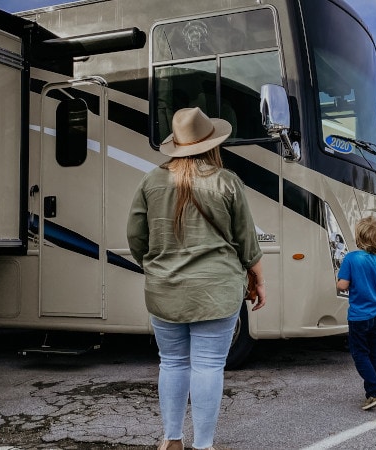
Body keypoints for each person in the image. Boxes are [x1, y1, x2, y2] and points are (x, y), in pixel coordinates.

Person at [127, 107, 266, 450]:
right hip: (217, 288)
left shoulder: (151, 181)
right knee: (208, 367)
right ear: (211, 144)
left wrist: (157, 266)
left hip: (164, 288)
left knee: (172, 363)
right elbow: (247, 241)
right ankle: (203, 445)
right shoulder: (226, 181)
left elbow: (135, 236)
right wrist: (258, 281)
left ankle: (172, 440)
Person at [336, 216, 376, 411]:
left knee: (359, 354)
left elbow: (342, 285)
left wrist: (345, 282)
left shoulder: (352, 258)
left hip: (359, 316)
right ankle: (373, 393)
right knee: (375, 355)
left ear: (359, 238)